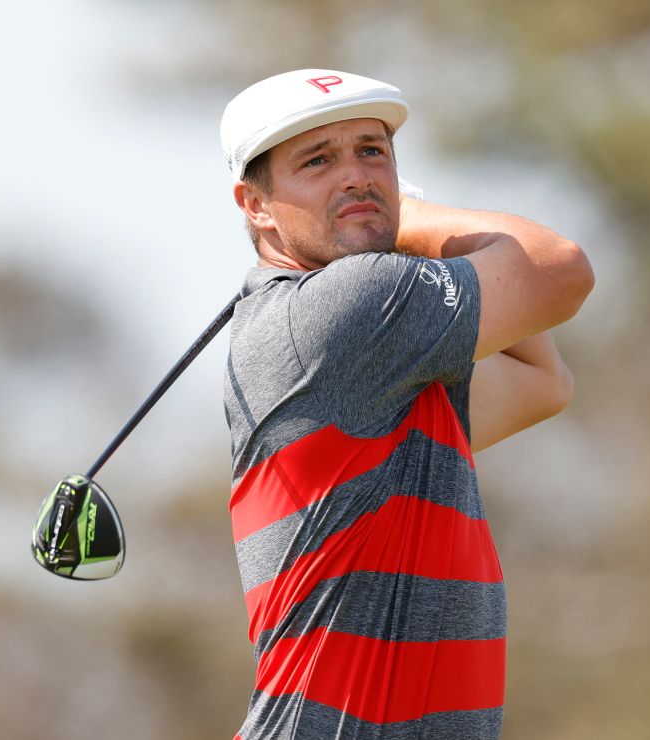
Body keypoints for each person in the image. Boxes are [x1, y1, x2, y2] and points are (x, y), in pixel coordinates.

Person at [219, 69, 593, 739]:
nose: (357, 176)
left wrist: (384, 223)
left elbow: (542, 381)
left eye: (372, 151)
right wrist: (410, 220)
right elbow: (560, 268)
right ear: (257, 204)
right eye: (318, 161)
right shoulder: (347, 309)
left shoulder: (391, 361)